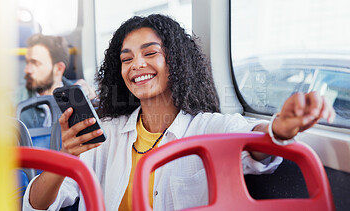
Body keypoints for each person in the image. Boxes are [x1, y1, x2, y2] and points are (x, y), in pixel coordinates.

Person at [23, 14, 335, 210]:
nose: (137, 65)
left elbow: (254, 146)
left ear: (176, 61)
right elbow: (36, 205)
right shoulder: (107, 133)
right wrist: (69, 157)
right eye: (126, 58)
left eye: (150, 53)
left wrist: (280, 129)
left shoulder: (207, 128)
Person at [17, 34, 96, 128]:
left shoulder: (81, 93)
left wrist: (94, 101)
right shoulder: (13, 101)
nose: (27, 70)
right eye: (27, 62)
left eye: (35, 63)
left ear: (59, 69)